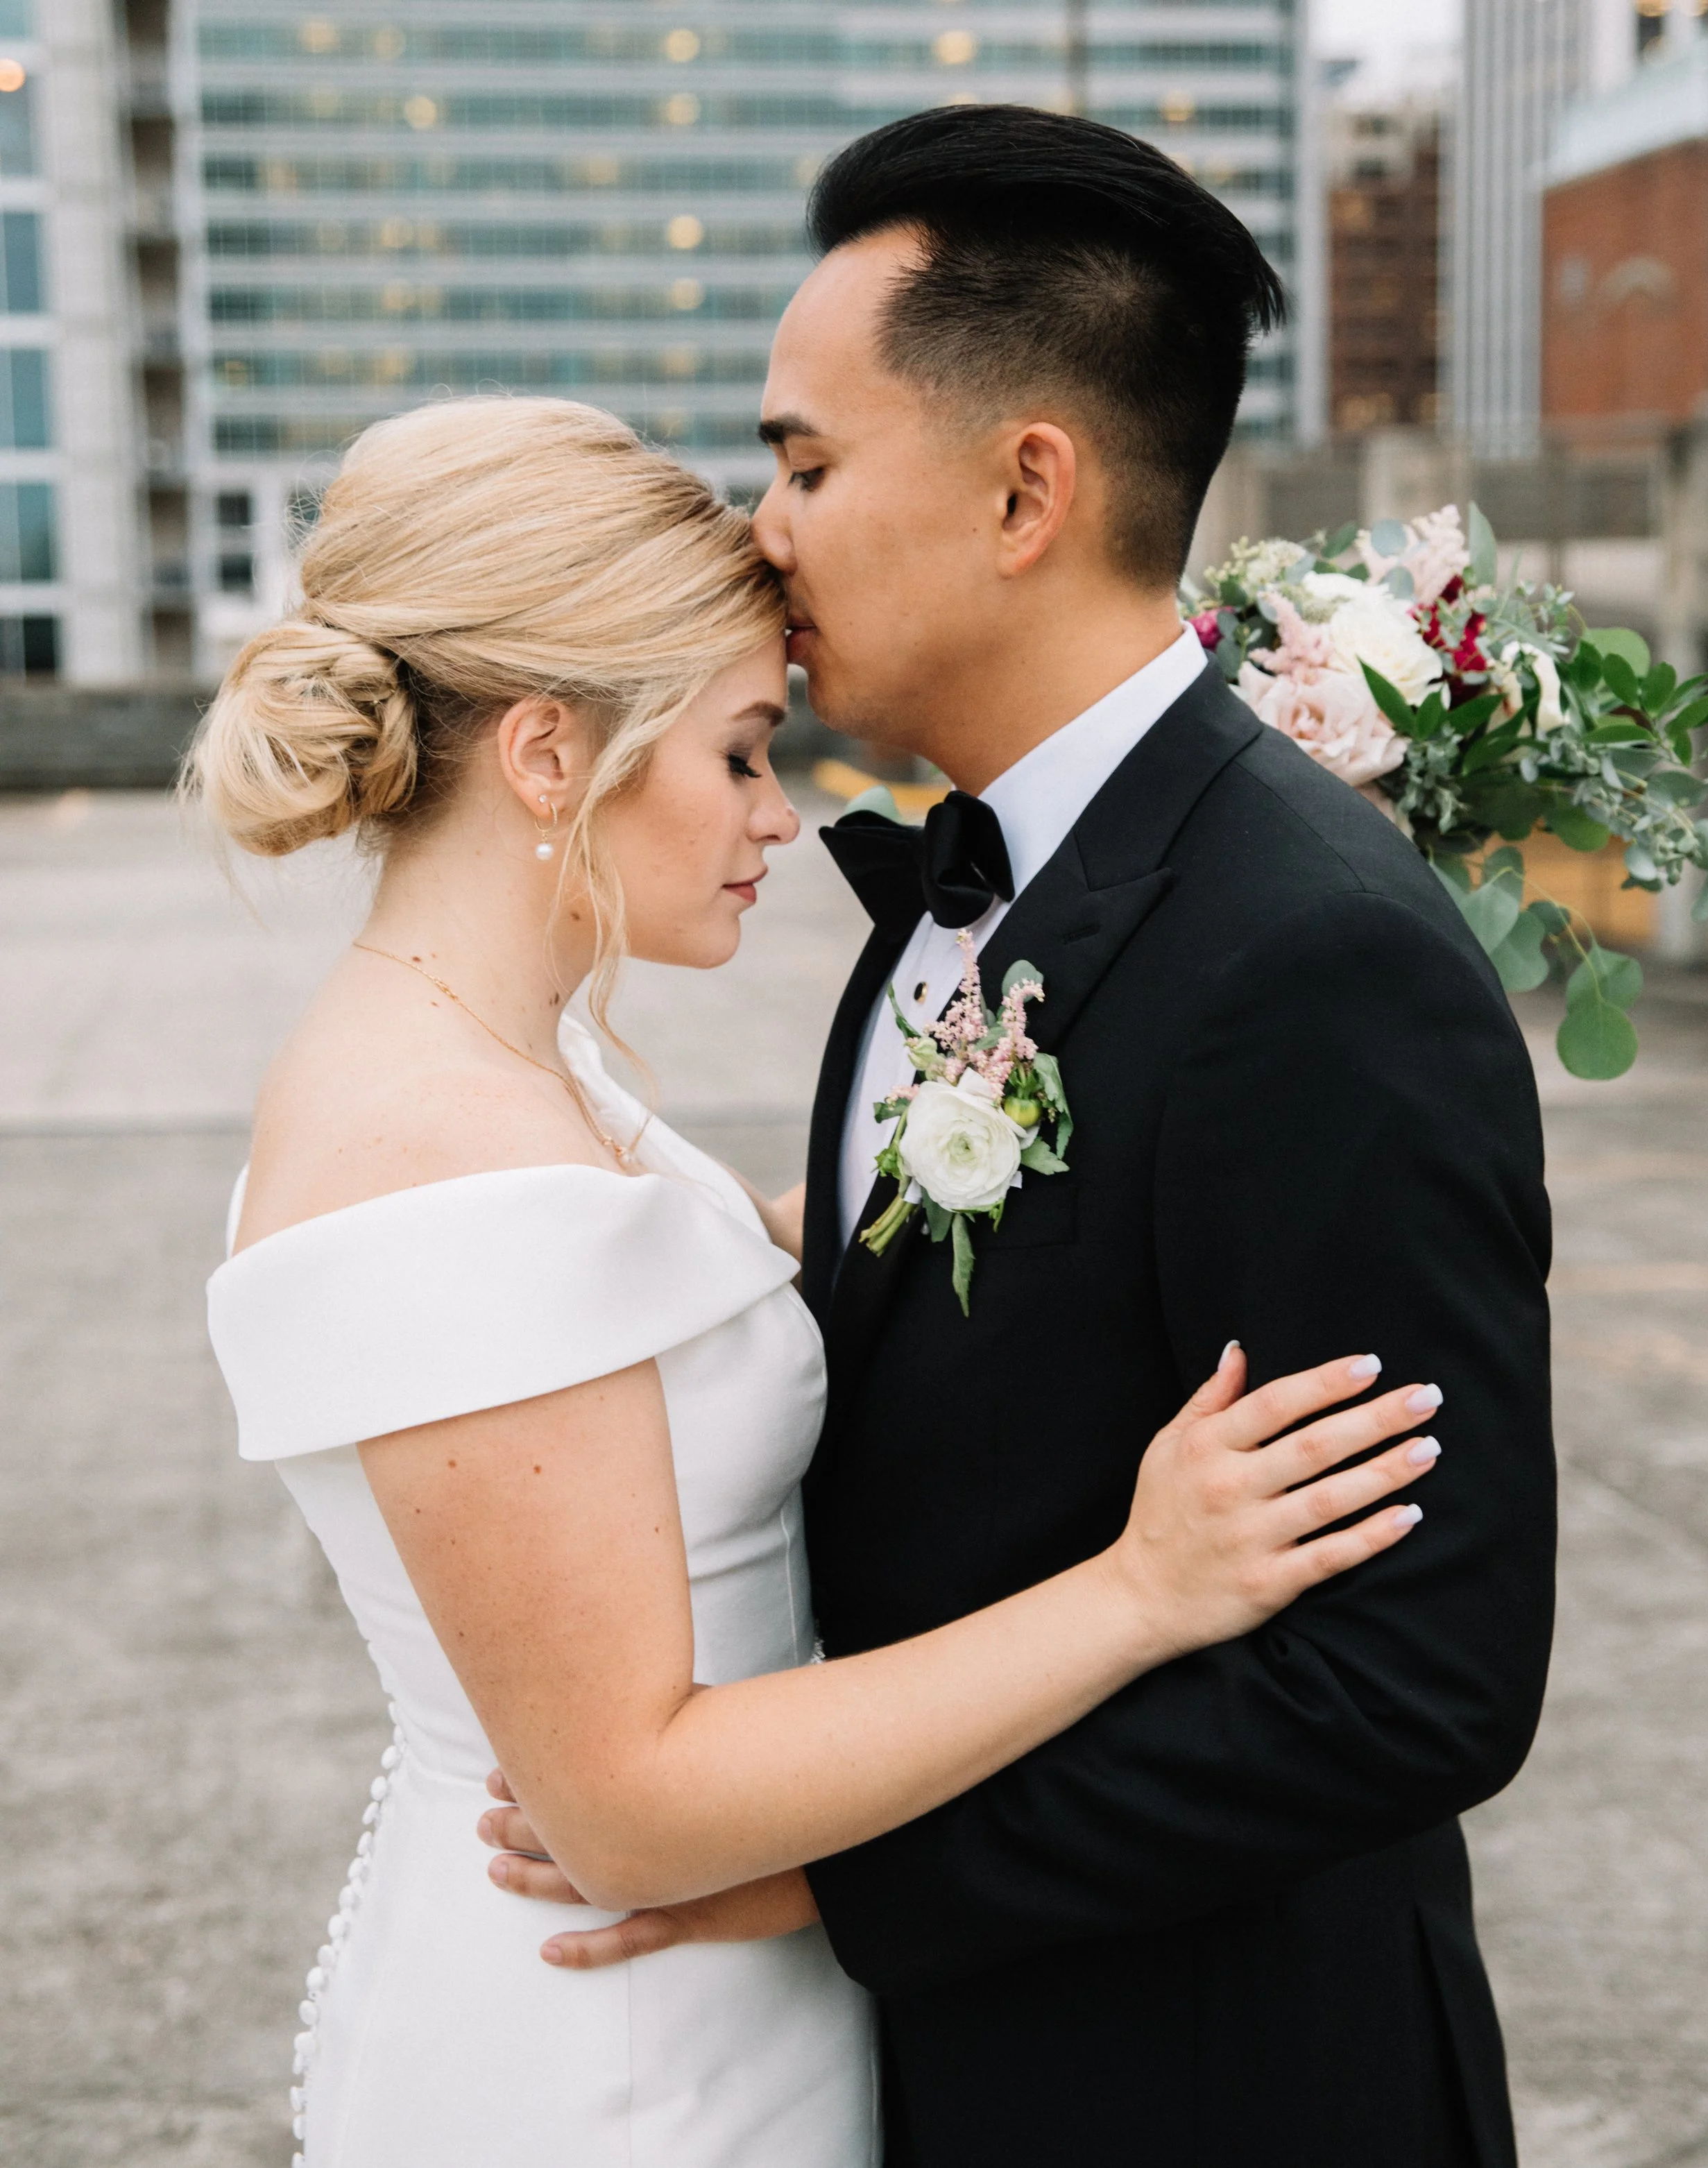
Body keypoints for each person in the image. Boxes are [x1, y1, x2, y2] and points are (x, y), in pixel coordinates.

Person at [193, 393, 1439, 2168]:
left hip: (716, 2011)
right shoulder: (436, 1151)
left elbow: (643, 1309)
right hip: (614, 2046)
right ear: (547, 755)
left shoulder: (500, 1064)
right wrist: (1142, 1587)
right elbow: (626, 1807)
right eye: (737, 752)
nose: (776, 819)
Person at [483, 106, 1555, 2168]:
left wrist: (831, 1874)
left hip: (1220, 2080)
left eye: (803, 463)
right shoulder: (970, 883)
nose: (759, 531)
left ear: (1022, 487)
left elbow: (1413, 1680)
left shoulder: (1313, 956)